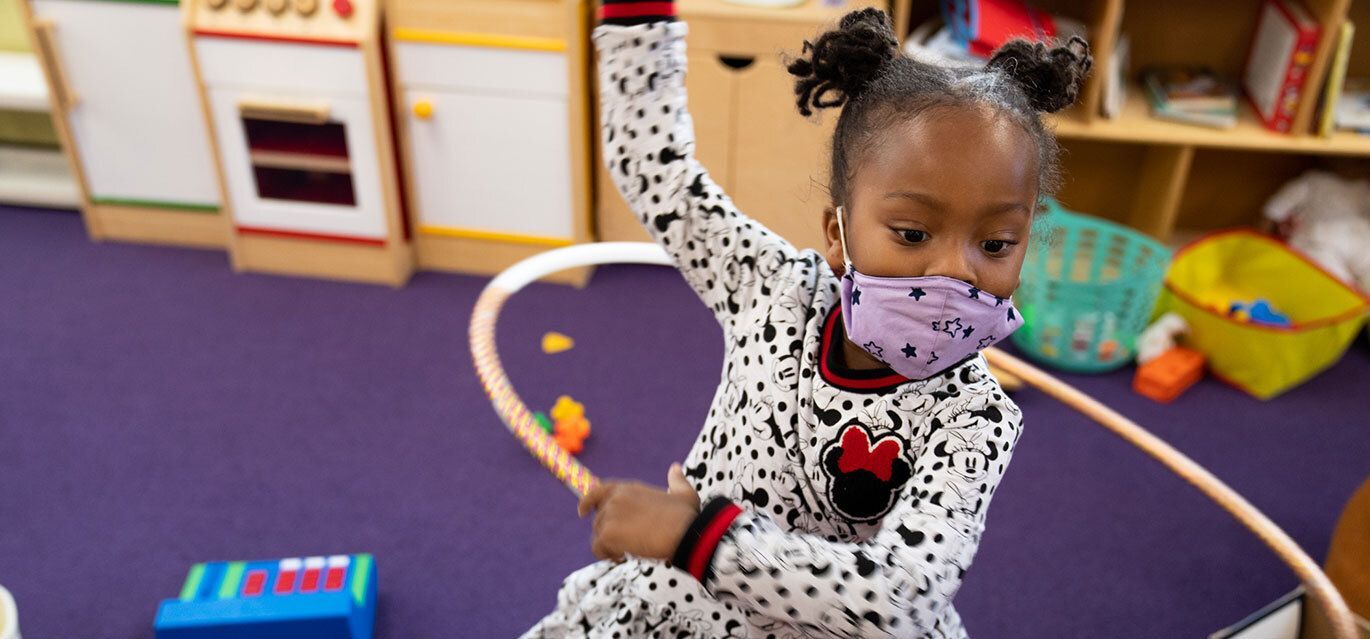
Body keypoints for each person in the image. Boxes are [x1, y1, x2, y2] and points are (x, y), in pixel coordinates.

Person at [526, 2, 1091, 636]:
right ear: (836, 232)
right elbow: (658, 174)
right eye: (911, 233)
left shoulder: (977, 421)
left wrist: (695, 538)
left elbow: (899, 601)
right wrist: (638, 20)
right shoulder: (772, 288)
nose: (956, 271)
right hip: (682, 601)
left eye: (996, 244)